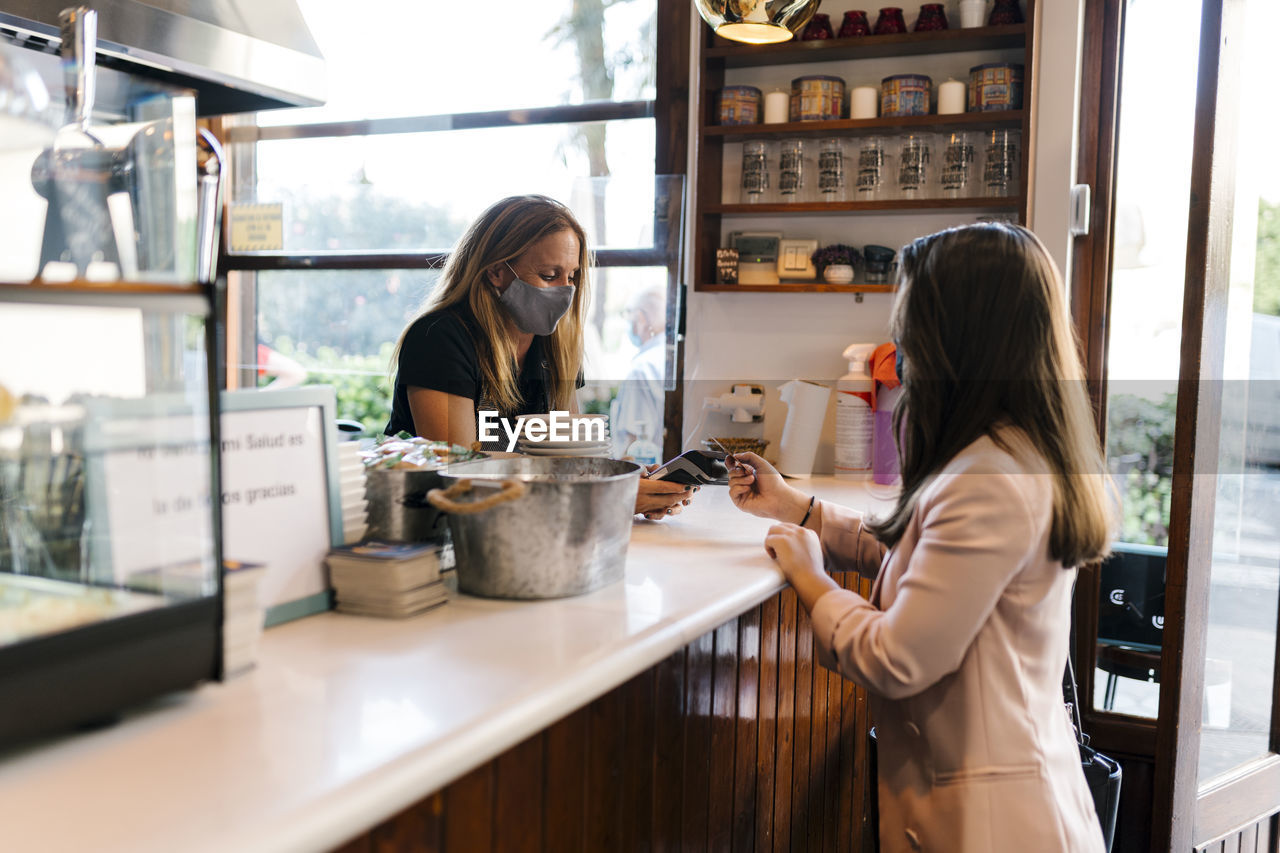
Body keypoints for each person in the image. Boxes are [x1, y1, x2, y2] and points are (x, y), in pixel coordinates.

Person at [728, 223, 1115, 852]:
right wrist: (799, 509)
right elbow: (926, 560)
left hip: (996, 826)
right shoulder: (1005, 450)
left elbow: (897, 658)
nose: (898, 340)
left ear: (956, 333)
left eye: (908, 315)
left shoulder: (988, 476)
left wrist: (811, 578)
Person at [385, 195, 693, 520]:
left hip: (521, 526)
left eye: (572, 276)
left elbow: (571, 457)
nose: (566, 290)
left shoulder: (554, 345)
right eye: (549, 275)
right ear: (495, 272)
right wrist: (610, 498)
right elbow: (461, 473)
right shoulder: (439, 337)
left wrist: (626, 483)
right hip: (431, 528)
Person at [611, 285, 667, 458]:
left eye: (629, 316)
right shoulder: (666, 359)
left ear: (641, 319)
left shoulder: (642, 370)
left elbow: (633, 442)